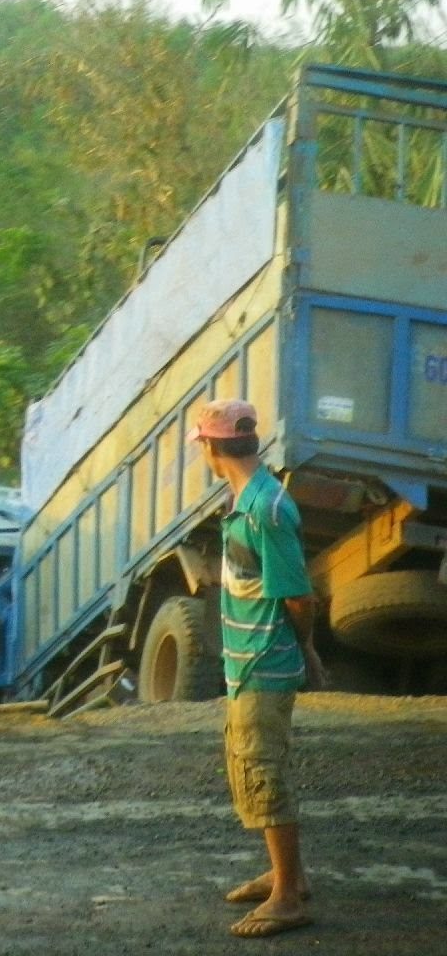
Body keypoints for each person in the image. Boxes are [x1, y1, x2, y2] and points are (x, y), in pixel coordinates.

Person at [191, 399, 321, 940]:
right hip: (249, 662)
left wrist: (307, 651)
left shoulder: (266, 509)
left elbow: (297, 595)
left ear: (213, 448)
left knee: (263, 772)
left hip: (264, 663)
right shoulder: (245, 497)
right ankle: (284, 874)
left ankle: (288, 896)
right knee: (252, 768)